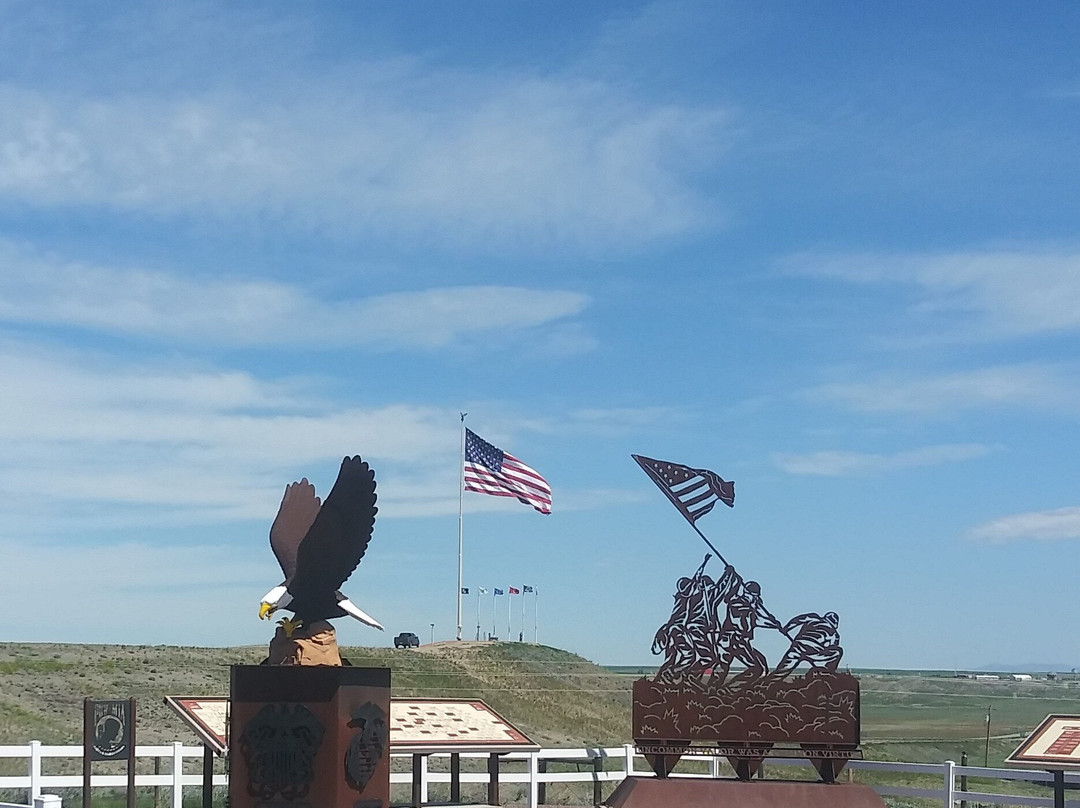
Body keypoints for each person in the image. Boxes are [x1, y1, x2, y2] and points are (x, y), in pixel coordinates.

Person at [772, 611, 843, 676]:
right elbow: (832, 648)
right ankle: (828, 672)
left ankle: (769, 683)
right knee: (838, 651)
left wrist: (786, 628)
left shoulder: (813, 617)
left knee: (782, 670)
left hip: (798, 646)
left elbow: (798, 620)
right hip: (815, 651)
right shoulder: (834, 634)